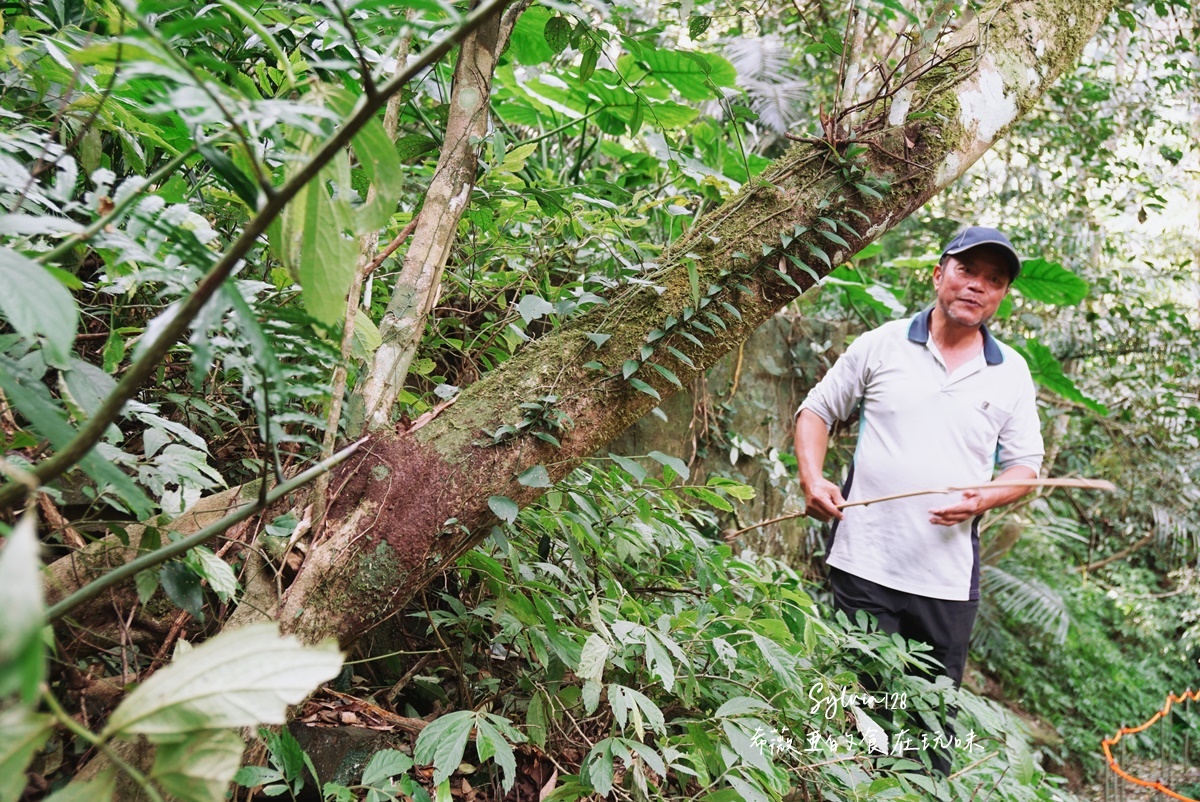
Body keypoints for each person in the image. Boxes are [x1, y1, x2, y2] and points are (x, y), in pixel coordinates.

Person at [793, 225, 1044, 773]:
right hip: (864, 561)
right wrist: (813, 478)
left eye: (993, 279)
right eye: (966, 271)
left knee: (930, 726)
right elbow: (816, 411)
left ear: (1002, 295)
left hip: (945, 579)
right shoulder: (882, 344)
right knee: (860, 710)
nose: (977, 286)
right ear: (939, 274)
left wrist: (985, 497)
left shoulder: (1011, 374)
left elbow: (1025, 466)